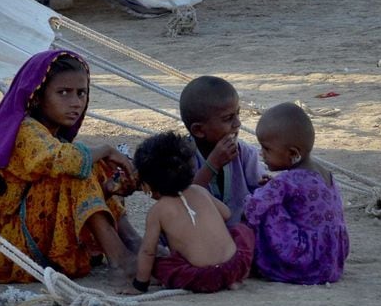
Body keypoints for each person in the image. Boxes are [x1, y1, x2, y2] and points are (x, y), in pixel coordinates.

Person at [0, 51, 137, 283]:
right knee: (78, 168)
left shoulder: (54, 135)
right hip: (10, 249)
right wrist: (107, 149)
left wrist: (108, 187)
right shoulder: (25, 129)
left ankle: (132, 242)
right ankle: (119, 258)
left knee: (94, 166)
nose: (76, 102)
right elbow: (54, 159)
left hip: (38, 233)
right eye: (63, 93)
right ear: (36, 96)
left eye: (81, 93)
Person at [127, 132, 255, 294]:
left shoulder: (157, 211)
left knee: (160, 264)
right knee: (242, 230)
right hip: (236, 265)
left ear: (147, 185)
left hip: (201, 278)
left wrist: (140, 285)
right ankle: (231, 281)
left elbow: (148, 251)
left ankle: (220, 279)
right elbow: (227, 214)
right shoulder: (199, 190)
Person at [243, 103, 350, 285]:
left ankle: (263, 262)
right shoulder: (325, 174)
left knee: (263, 205)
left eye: (266, 149)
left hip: (304, 263)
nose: (261, 154)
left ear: (293, 153)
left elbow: (253, 208)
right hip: (331, 260)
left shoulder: (287, 181)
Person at [179, 75, 265, 225]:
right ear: (199, 130)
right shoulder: (180, 157)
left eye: (238, 113)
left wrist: (268, 187)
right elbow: (181, 203)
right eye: (228, 118)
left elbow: (261, 195)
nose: (238, 123)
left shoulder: (245, 153)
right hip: (200, 239)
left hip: (244, 237)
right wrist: (211, 165)